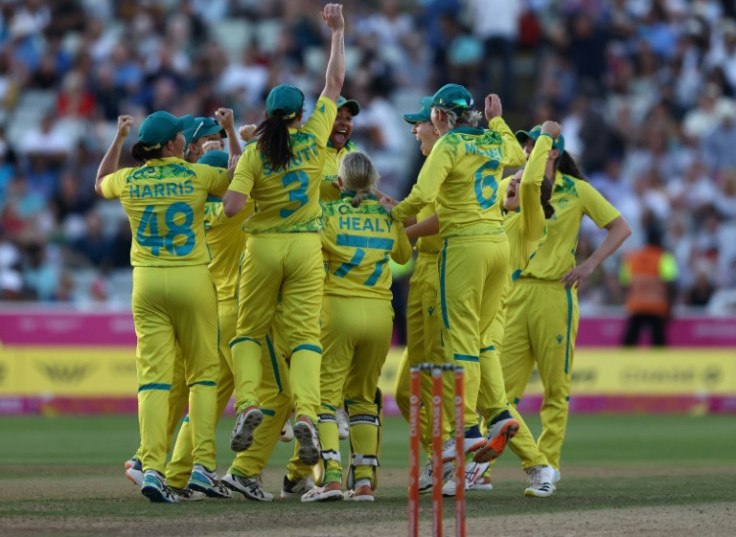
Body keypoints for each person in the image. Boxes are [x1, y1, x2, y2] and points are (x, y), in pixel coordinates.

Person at [222, 3, 345, 468]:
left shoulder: (254, 153)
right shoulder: (315, 137)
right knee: (306, 338)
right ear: (298, 115)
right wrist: (337, 33)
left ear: (269, 114)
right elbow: (333, 84)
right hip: (306, 248)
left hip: (263, 248)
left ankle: (250, 401)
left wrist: (245, 180)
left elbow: (233, 208)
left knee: (249, 332)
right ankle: (309, 414)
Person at [380, 84, 526, 461]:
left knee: (459, 341)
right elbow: (514, 151)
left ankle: (465, 430)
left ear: (440, 117)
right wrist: (498, 121)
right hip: (498, 247)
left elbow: (420, 196)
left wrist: (393, 216)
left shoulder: (448, 144)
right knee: (478, 340)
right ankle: (497, 415)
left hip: (464, 247)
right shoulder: (493, 141)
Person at [95, 111, 234, 503]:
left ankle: (151, 468)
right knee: (204, 376)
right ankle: (203, 468)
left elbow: (99, 181)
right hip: (192, 279)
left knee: (154, 381)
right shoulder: (196, 176)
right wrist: (230, 134)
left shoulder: (129, 178)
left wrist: (118, 137)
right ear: (175, 144)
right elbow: (239, 182)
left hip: (147, 283)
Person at [500, 123, 631, 483]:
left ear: (552, 152)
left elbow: (621, 227)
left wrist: (590, 265)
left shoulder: (577, 191)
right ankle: (486, 465)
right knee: (499, 390)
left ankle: (548, 464)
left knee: (556, 388)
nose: (527, 150)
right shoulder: (514, 186)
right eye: (526, 145)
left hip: (556, 293)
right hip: (515, 292)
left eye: (532, 145)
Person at [302, 151, 411, 502]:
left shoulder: (328, 213)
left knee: (326, 398)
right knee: (364, 398)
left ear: (340, 182)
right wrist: (388, 211)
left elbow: (308, 254)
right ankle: (363, 481)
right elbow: (404, 257)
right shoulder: (387, 215)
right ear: (374, 181)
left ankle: (332, 478)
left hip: (338, 311)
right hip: (380, 315)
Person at [391, 101, 455, 493]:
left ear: (437, 123)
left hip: (444, 270)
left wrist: (400, 228)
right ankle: (445, 454)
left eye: (418, 125)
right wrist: (388, 209)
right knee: (407, 387)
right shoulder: (432, 164)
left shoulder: (450, 160)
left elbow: (445, 220)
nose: (414, 132)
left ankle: (453, 455)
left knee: (439, 371)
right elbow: (418, 214)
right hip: (424, 272)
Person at [620, 223, 678, 347]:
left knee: (629, 342)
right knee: (658, 342)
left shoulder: (632, 257)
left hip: (636, 305)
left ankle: (622, 365)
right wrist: (670, 306)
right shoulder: (664, 257)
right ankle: (658, 367)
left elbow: (625, 283)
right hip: (657, 306)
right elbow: (670, 284)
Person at [321, 95, 361, 203]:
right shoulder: (307, 148)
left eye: (348, 119)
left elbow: (367, 190)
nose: (344, 123)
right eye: (337, 117)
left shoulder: (353, 151)